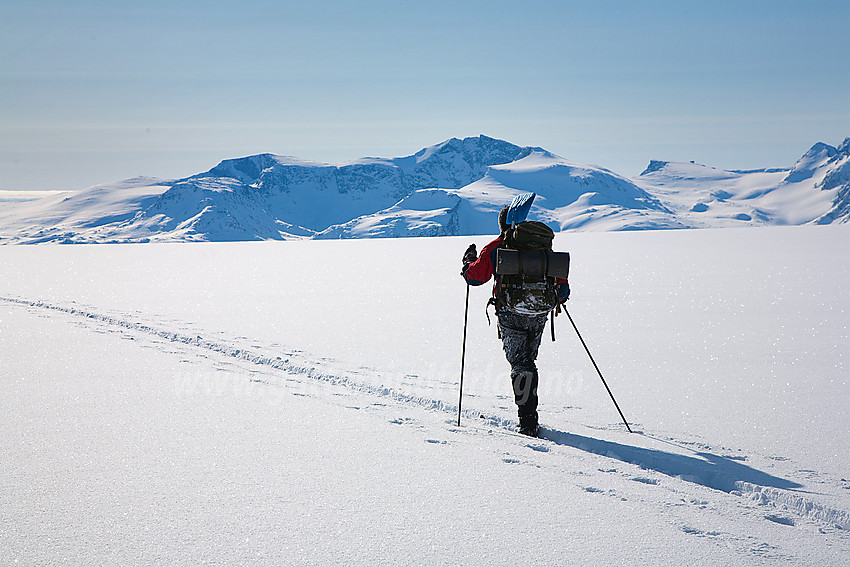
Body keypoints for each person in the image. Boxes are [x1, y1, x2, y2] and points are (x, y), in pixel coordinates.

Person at [461, 206, 569, 437]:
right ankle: (529, 415)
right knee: (527, 361)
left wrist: (468, 262)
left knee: (521, 364)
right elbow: (561, 283)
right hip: (539, 312)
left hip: (510, 312)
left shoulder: (495, 247)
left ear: (502, 224)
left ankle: (528, 423)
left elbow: (475, 277)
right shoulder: (540, 246)